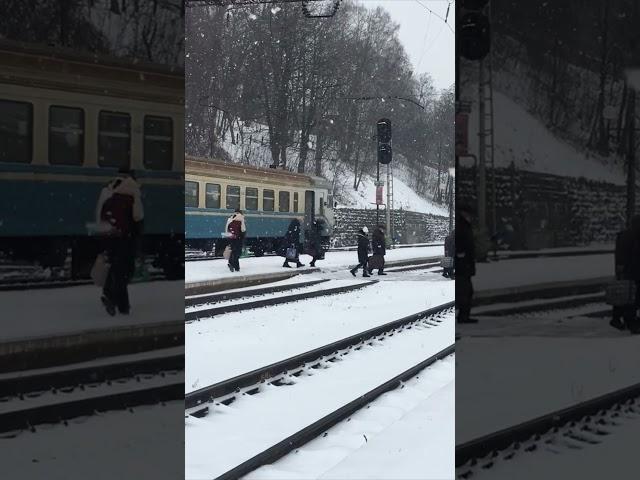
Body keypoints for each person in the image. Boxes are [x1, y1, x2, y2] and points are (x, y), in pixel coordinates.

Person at [95, 167, 144, 316]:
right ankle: (123, 307)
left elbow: (101, 218)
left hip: (110, 239)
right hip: (126, 241)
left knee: (115, 270)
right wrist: (137, 244)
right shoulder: (133, 195)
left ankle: (110, 295)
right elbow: (138, 220)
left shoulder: (110, 195)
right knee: (124, 273)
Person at [456, 205, 477, 323]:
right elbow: (463, 244)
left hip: (464, 264)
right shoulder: (462, 226)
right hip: (463, 265)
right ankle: (463, 316)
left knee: (466, 291)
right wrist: (461, 254)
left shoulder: (464, 226)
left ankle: (464, 315)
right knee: (466, 291)